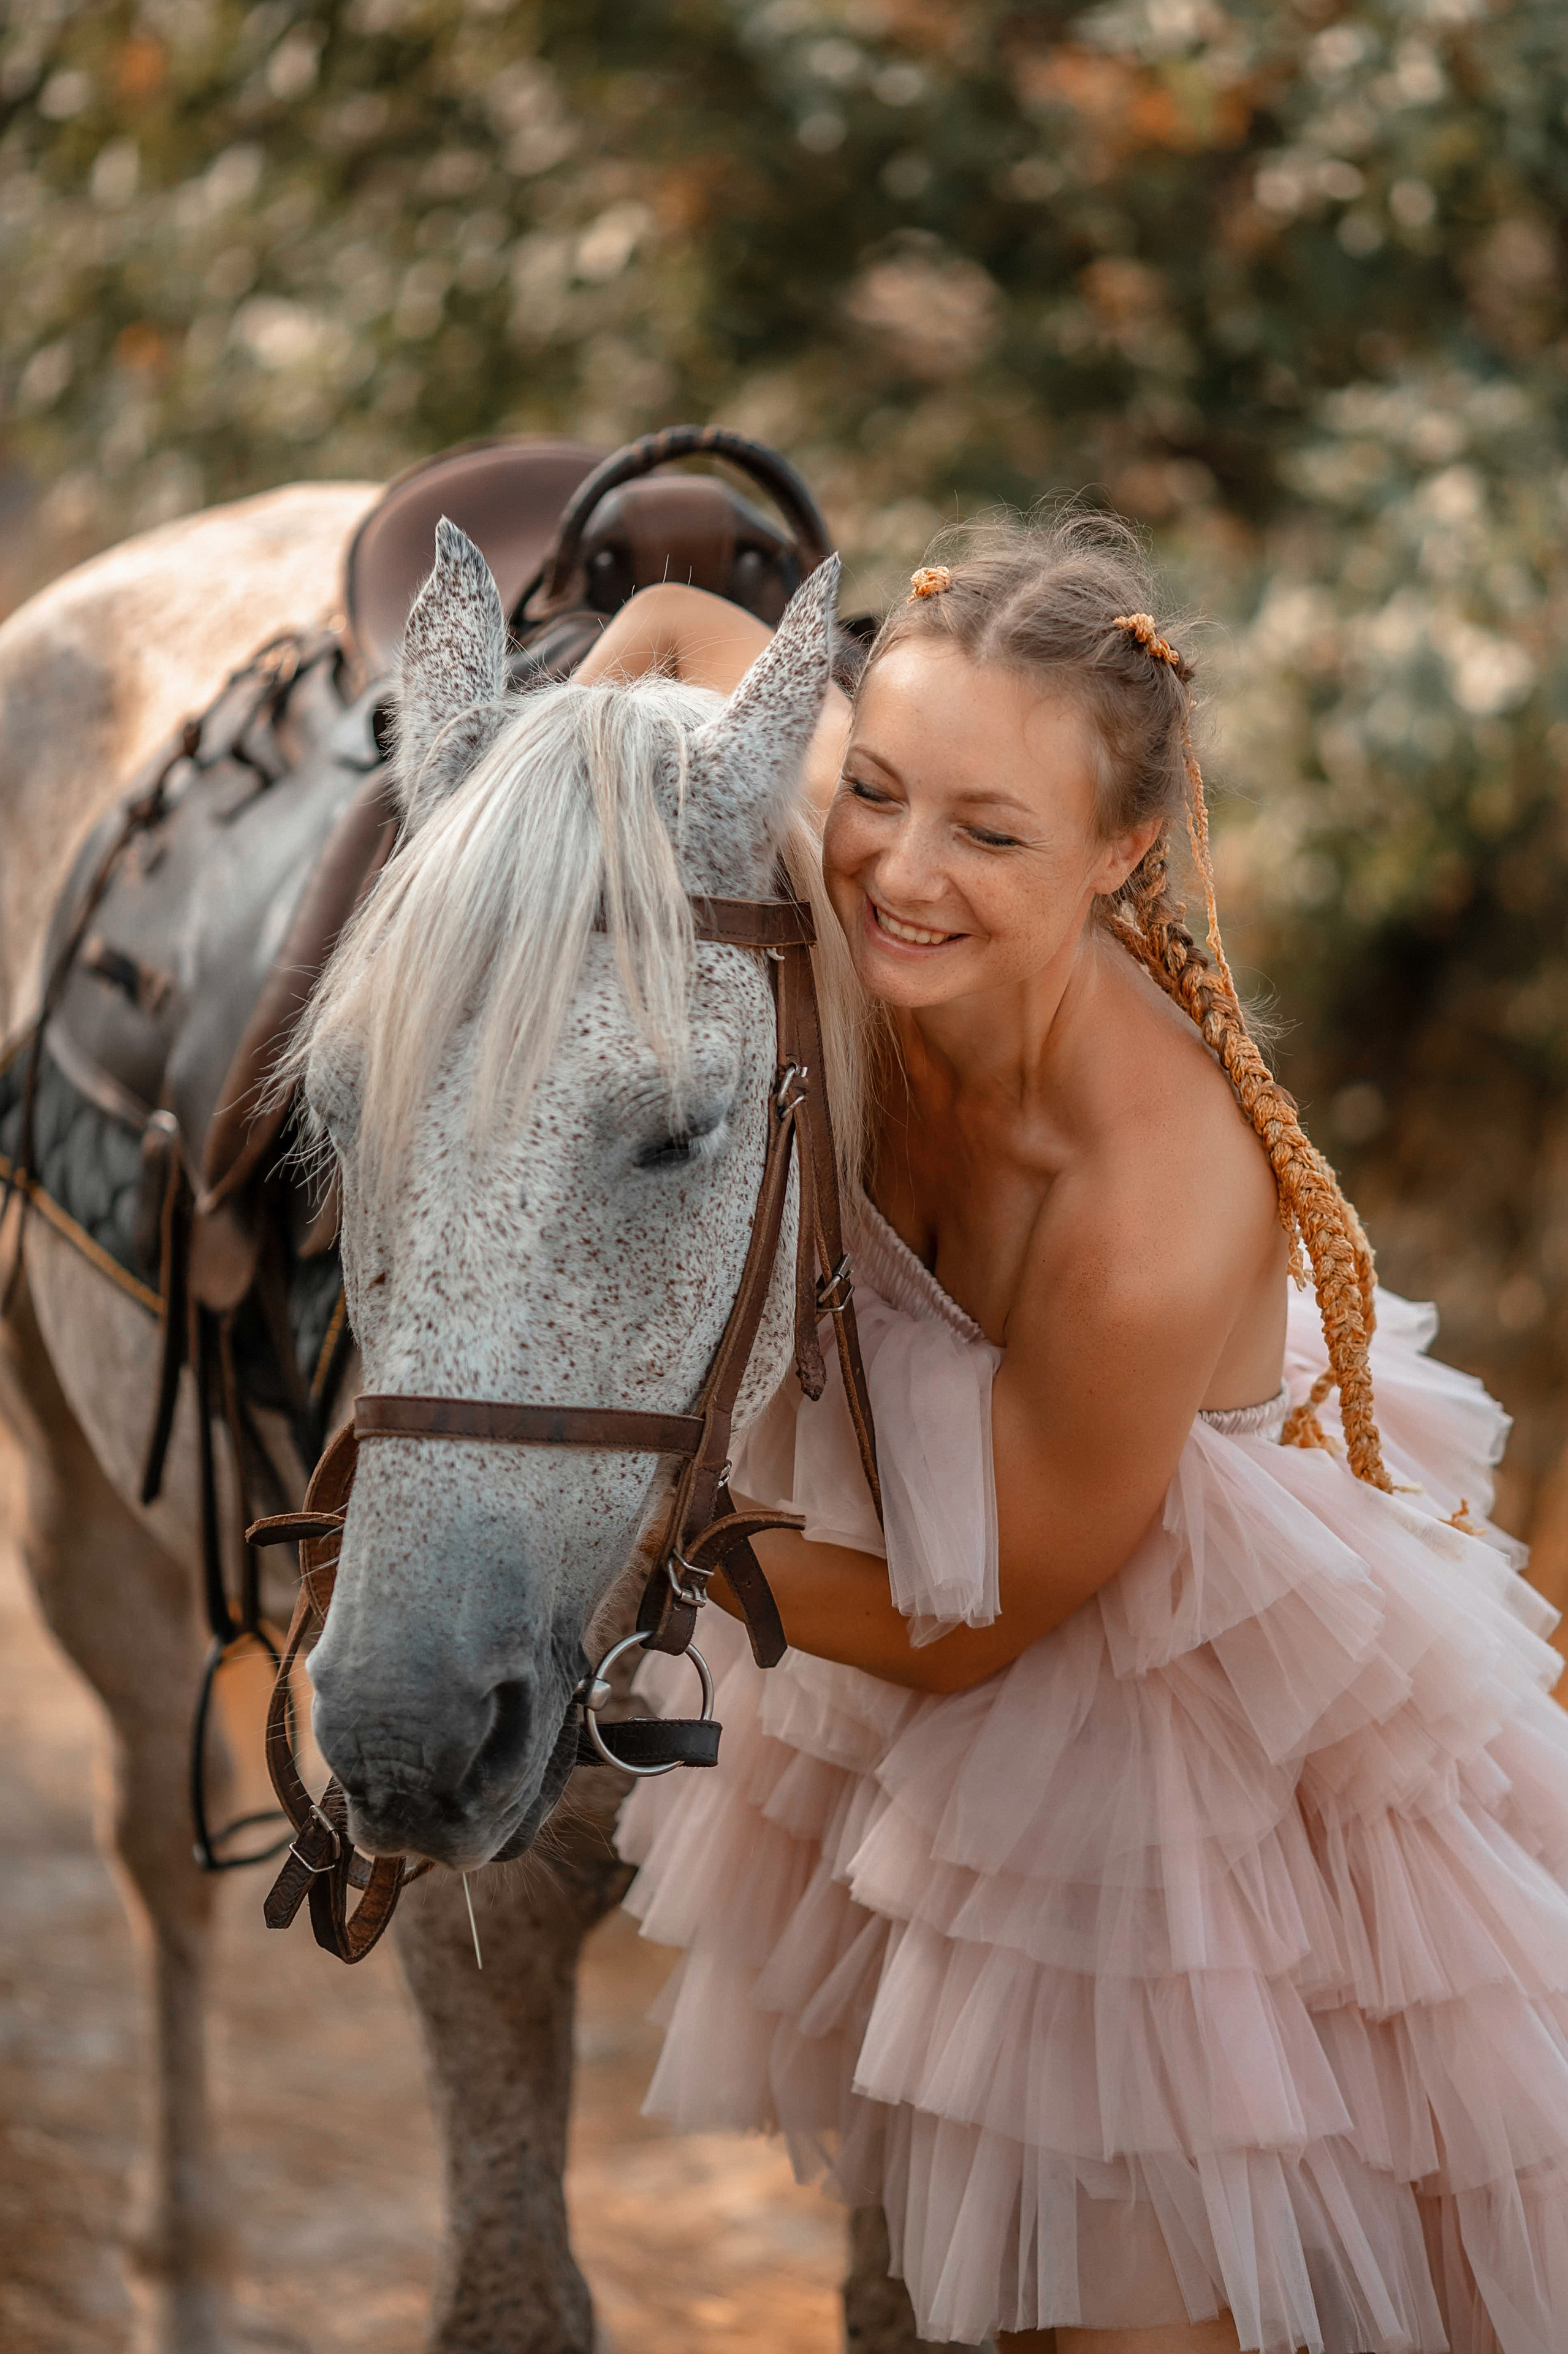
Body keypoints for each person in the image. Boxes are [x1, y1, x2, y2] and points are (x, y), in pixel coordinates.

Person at [575, 516, 1568, 2354]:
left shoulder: (1147, 1199)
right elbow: (666, 622)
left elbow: (976, 1630)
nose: (895, 870)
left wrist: (622, 1515)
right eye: (873, 789)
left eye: (993, 833)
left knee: (1118, 2298)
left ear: (1121, 854)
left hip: (1148, 1748)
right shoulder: (869, 808)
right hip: (903, 1582)